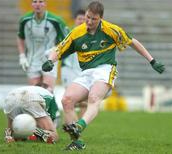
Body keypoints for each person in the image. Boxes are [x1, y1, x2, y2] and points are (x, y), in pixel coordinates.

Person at [42, 1, 165, 150]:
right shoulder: (76, 32)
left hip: (105, 69)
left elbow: (133, 42)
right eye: (88, 17)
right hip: (86, 72)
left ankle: (79, 125)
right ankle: (77, 142)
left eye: (94, 19)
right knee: (67, 100)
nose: (89, 21)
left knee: (94, 98)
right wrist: (50, 61)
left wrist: (152, 60)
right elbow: (60, 48)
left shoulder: (111, 29)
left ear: (101, 18)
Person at [17, 0, 69, 92]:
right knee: (34, 93)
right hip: (32, 60)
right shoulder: (25, 20)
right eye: (35, 1)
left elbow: (67, 40)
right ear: (31, 4)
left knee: (47, 91)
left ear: (45, 4)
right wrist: (22, 56)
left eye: (41, 1)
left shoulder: (56, 20)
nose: (38, 4)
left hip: (49, 60)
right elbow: (20, 37)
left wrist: (55, 50)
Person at [61, 9, 86, 118]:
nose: (81, 21)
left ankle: (78, 127)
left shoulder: (89, 35)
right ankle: (70, 125)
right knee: (69, 100)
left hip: (82, 71)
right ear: (75, 20)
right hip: (68, 70)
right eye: (79, 19)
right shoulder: (67, 32)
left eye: (84, 19)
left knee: (84, 103)